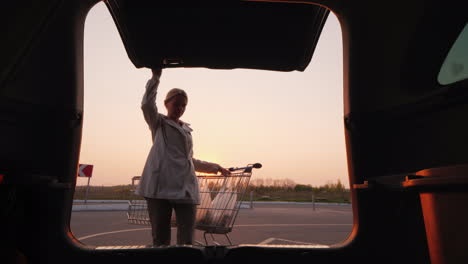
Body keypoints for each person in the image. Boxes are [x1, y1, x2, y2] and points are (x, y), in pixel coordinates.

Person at [135, 68, 230, 246]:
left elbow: (189, 161)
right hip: (160, 188)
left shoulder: (187, 130)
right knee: (161, 240)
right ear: (166, 104)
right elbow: (146, 104)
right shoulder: (159, 124)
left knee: (186, 240)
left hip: (185, 188)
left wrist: (215, 167)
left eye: (183, 105)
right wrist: (156, 77)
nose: (180, 108)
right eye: (176, 104)